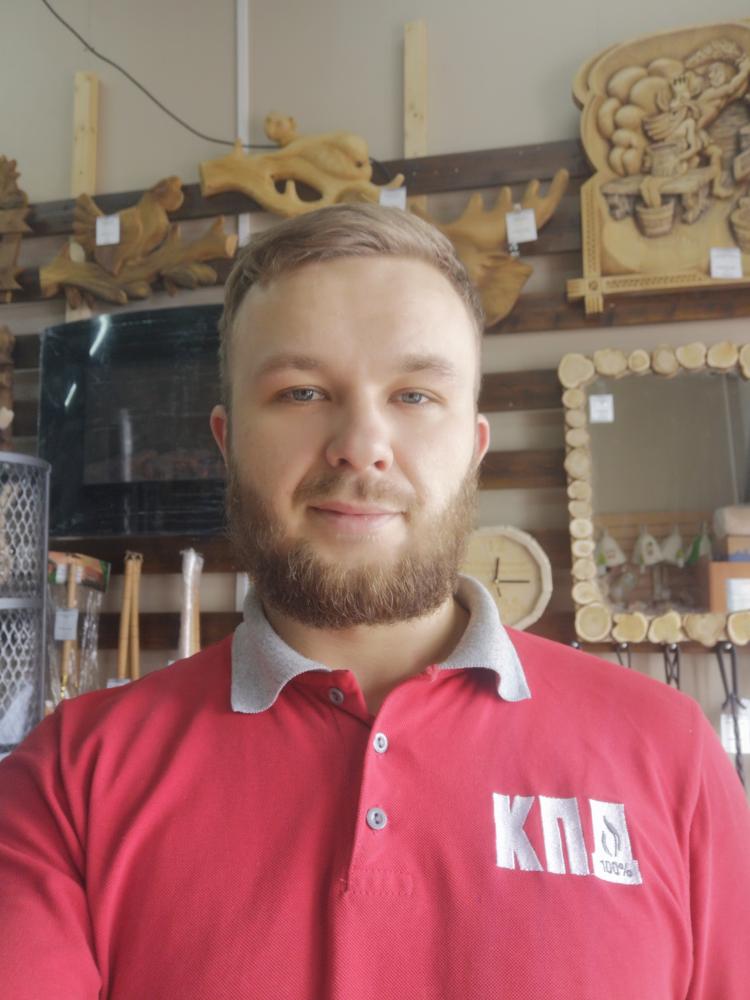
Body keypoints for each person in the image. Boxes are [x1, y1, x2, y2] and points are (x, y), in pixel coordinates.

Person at [1, 204, 749, 1000]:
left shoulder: (672, 755)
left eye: (415, 396)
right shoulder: (69, 779)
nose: (361, 445)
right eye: (300, 392)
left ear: (474, 449)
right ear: (227, 442)